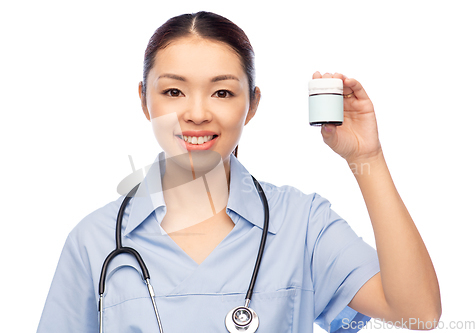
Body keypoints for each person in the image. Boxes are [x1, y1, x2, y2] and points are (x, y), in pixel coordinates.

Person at [37, 11, 441, 333]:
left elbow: (418, 313)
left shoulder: (303, 224)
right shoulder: (94, 242)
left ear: (252, 104)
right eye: (173, 91)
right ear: (145, 100)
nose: (196, 113)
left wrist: (365, 157)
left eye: (223, 92)